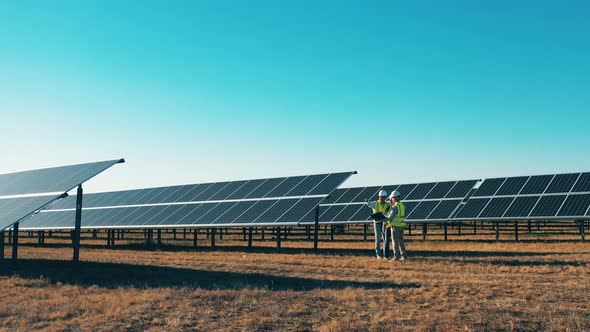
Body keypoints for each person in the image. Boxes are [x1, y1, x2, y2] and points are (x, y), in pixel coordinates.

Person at [364, 190, 391, 259]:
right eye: (380, 197)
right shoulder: (375, 203)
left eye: (383, 197)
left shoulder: (387, 204)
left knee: (385, 239)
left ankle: (386, 254)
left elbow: (390, 211)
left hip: (384, 223)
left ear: (385, 197)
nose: (381, 198)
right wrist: (367, 201)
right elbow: (369, 204)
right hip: (377, 223)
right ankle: (378, 254)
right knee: (378, 238)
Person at [384, 190, 407, 261]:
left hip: (395, 227)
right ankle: (404, 256)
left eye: (391, 199)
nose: (391, 200)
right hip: (401, 226)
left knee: (395, 242)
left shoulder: (395, 207)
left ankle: (396, 257)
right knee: (401, 242)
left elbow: (390, 217)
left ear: (394, 198)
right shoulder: (402, 205)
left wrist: (383, 218)